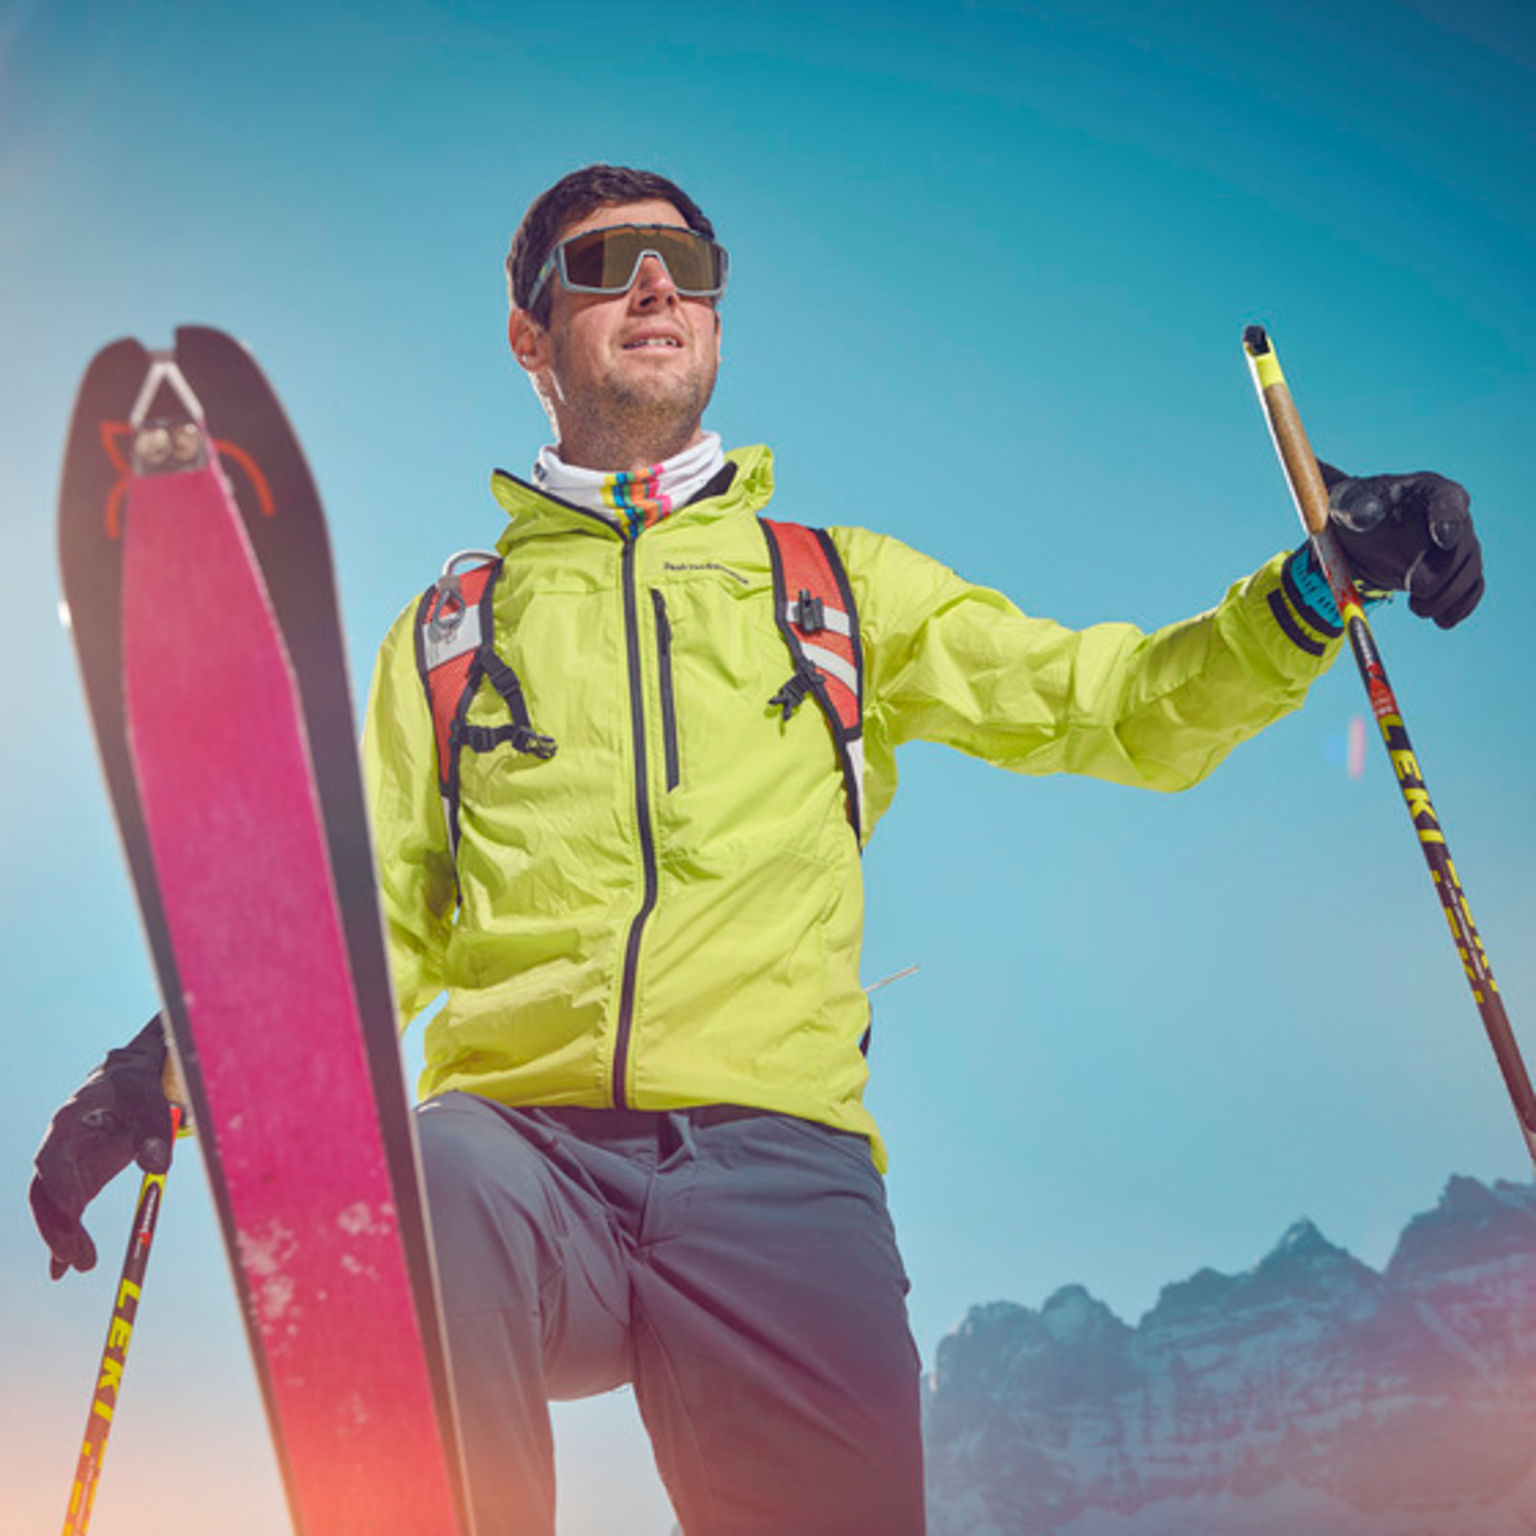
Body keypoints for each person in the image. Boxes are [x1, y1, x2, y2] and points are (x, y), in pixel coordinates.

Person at [31, 165, 1485, 1536]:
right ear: (532, 335)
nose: (657, 285)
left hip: (781, 1175)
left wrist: (1314, 583)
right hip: (522, 1162)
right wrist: (157, 1070)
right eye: (607, 266)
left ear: (718, 314)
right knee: (431, 1187)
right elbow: (368, 929)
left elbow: (1114, 709)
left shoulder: (835, 588)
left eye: (691, 265)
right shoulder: (452, 633)